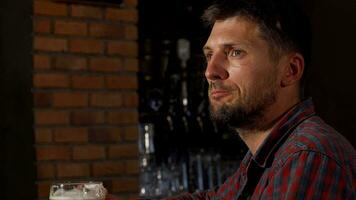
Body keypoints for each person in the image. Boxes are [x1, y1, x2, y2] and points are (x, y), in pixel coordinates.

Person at [165, 0, 356, 199]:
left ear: (290, 71)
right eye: (209, 55)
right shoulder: (269, 153)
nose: (210, 72)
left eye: (235, 52)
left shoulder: (307, 156)